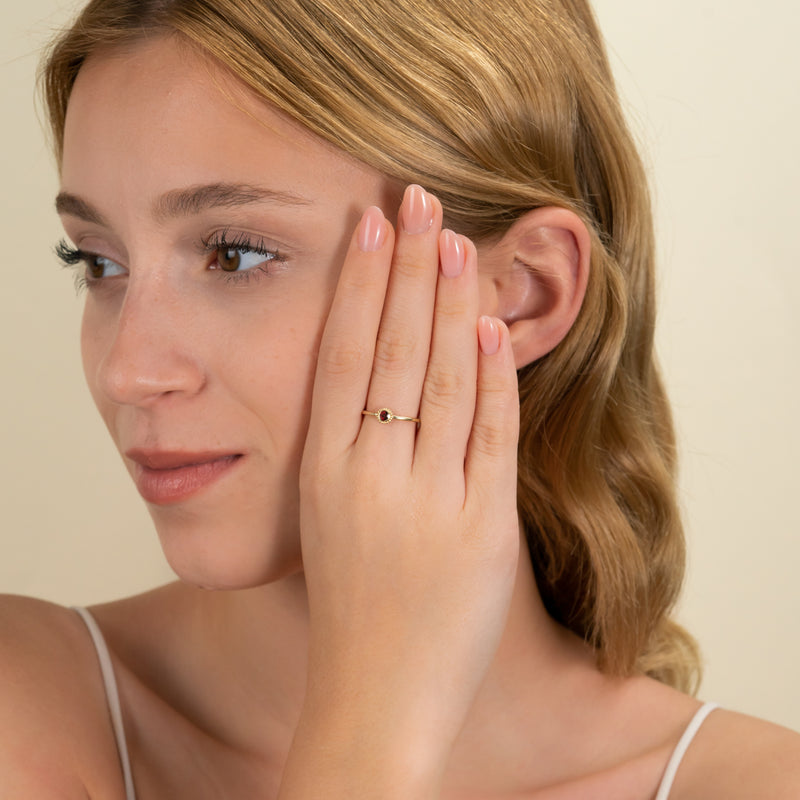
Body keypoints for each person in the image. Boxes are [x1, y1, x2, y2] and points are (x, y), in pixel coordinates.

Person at [1, 0, 798, 797]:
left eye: (235, 254)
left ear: (522, 293)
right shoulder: (27, 705)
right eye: (98, 262)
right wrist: (372, 714)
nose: (128, 371)